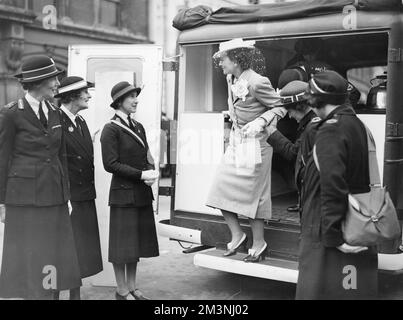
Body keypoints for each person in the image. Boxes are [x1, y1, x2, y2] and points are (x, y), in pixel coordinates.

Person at [0, 55, 81, 300]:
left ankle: (48, 295)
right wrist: (2, 202)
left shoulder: (55, 112)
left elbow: (61, 157)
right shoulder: (11, 114)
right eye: (54, 79)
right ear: (38, 82)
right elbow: (2, 159)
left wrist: (66, 195)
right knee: (31, 256)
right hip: (25, 200)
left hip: (54, 197)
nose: (57, 83)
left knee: (53, 255)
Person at [296, 71, 378, 300]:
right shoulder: (357, 124)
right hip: (356, 220)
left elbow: (332, 185)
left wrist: (334, 237)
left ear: (316, 100)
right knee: (350, 290)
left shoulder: (330, 129)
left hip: (327, 227)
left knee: (319, 290)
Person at [206, 38, 287, 262]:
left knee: (255, 196)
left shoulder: (258, 81)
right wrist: (228, 126)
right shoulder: (232, 78)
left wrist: (261, 121)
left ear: (236, 59)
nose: (220, 64)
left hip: (257, 144)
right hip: (237, 141)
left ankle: (259, 244)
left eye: (223, 59)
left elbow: (280, 107)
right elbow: (236, 109)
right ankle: (238, 235)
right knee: (219, 190)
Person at [101, 81, 160, 300]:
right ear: (119, 101)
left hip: (140, 193)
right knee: (121, 246)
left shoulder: (138, 126)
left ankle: (133, 287)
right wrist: (140, 175)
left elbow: (147, 156)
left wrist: (151, 172)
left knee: (134, 244)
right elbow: (110, 164)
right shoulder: (110, 129)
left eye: (136, 96)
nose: (136, 101)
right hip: (123, 194)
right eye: (131, 97)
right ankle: (121, 289)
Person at [56, 76, 103, 300]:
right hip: (67, 199)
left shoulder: (81, 121)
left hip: (84, 197)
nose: (89, 96)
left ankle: (75, 296)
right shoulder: (55, 120)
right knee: (62, 252)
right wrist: (63, 198)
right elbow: (56, 162)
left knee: (80, 252)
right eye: (85, 92)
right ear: (73, 96)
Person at [267, 80, 319, 213]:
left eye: (290, 110)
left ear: (300, 106)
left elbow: (294, 154)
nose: (289, 115)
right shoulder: (311, 121)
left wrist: (272, 132)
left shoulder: (312, 126)